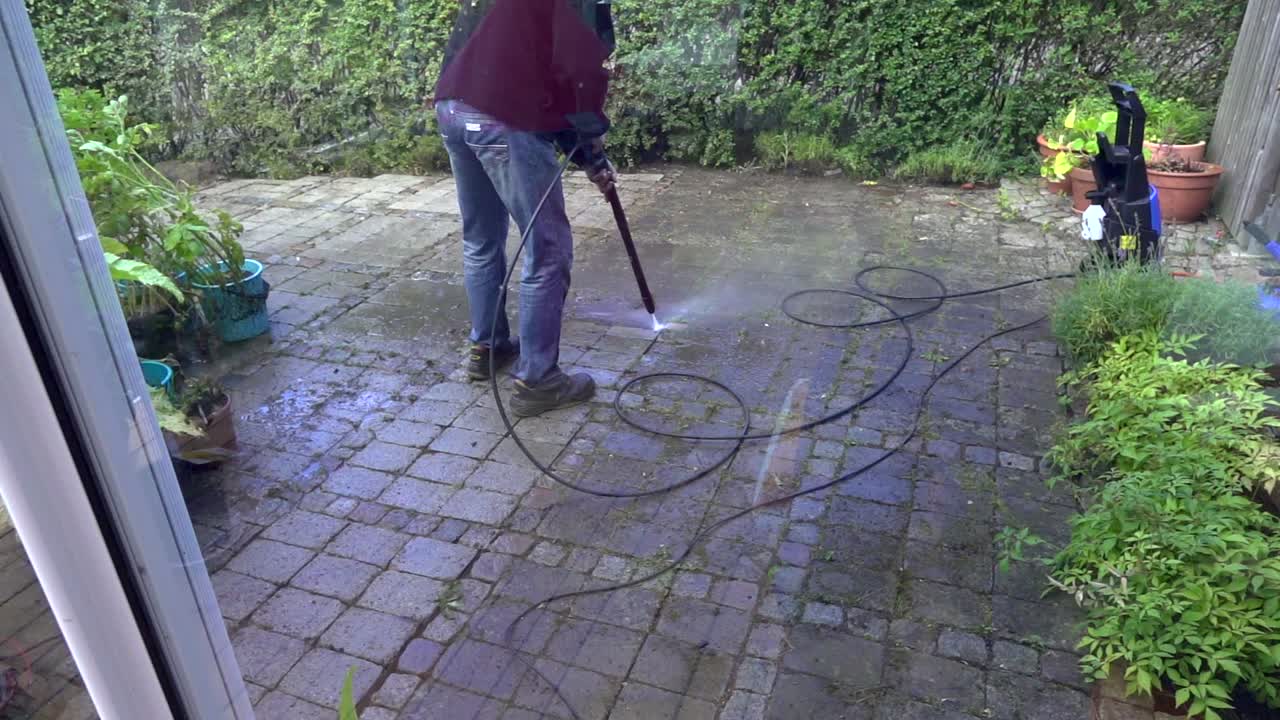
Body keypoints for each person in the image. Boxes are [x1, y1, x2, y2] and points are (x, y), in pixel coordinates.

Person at [434, 0, 617, 417]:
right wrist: (590, 145)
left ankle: (487, 347)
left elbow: (541, 73)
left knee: (481, 238)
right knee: (548, 249)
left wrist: (587, 158)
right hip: (502, 118)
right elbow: (580, 76)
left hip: (453, 107)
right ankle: (538, 380)